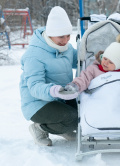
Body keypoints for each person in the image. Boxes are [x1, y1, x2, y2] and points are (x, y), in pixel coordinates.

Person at [19, 6, 78, 146]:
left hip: (60, 97)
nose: (66, 40)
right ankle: (39, 128)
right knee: (72, 118)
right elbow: (34, 87)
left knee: (84, 112)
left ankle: (62, 127)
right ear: (51, 34)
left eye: (68, 35)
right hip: (37, 103)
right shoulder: (34, 55)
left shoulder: (67, 48)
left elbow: (80, 60)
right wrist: (54, 91)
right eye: (61, 36)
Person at [55, 33, 120, 95]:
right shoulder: (93, 69)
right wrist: (75, 85)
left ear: (119, 65)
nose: (105, 63)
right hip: (96, 98)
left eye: (111, 62)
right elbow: (84, 79)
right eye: (105, 58)